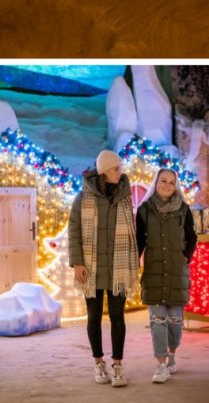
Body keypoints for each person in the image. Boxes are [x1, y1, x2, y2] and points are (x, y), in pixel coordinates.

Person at [68, 149, 138, 387]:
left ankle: (117, 364)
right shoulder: (83, 198)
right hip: (92, 267)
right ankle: (99, 363)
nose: (121, 172)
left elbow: (132, 234)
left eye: (120, 168)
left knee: (118, 317)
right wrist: (77, 262)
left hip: (118, 269)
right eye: (116, 168)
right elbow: (74, 231)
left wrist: (132, 261)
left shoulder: (124, 197)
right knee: (94, 317)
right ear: (104, 170)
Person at [136, 168, 198, 384]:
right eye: (163, 181)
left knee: (174, 320)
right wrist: (135, 260)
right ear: (156, 182)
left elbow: (192, 237)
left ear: (175, 186)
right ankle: (161, 365)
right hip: (153, 271)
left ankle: (172, 355)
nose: (167, 185)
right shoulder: (144, 210)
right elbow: (139, 240)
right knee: (158, 319)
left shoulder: (184, 209)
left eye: (171, 182)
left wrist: (185, 258)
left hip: (176, 271)